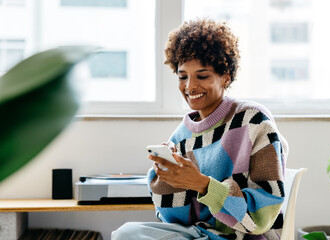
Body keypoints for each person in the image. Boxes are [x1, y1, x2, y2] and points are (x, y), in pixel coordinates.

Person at [112, 18, 288, 240]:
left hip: (242, 236)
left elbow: (263, 217)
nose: (190, 86)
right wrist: (167, 179)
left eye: (202, 76)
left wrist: (202, 185)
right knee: (125, 233)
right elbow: (174, 221)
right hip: (199, 233)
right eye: (182, 76)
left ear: (226, 77)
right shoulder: (182, 136)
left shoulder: (252, 121)